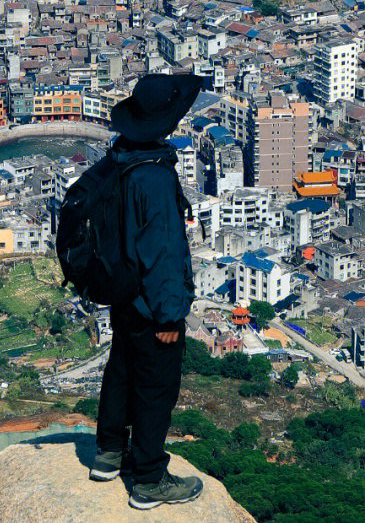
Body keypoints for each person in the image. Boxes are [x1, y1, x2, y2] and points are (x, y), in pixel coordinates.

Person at [91, 72, 207, 509]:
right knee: (156, 386)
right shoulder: (154, 178)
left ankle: (107, 453)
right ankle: (148, 478)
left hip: (120, 291)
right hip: (149, 302)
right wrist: (170, 316)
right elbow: (162, 252)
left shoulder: (118, 158)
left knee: (120, 369)